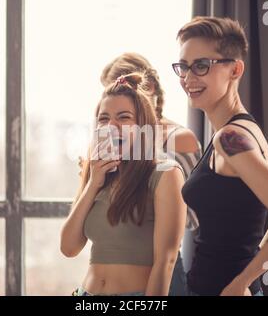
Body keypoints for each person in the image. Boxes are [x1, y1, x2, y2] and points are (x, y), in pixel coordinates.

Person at [173, 16, 268, 296]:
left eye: (201, 66)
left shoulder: (230, 139)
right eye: (183, 67)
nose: (189, 78)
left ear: (235, 69)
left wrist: (242, 282)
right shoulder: (240, 133)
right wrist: (253, 265)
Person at [61, 72, 187, 296]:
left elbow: (166, 262)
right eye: (104, 118)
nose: (112, 125)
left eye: (123, 117)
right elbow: (69, 247)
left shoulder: (166, 174)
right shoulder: (98, 172)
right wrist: (93, 183)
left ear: (142, 126)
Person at [99, 52, 202, 295]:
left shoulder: (180, 138)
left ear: (150, 88)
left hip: (160, 269)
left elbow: (193, 217)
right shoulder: (120, 142)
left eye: (124, 92)